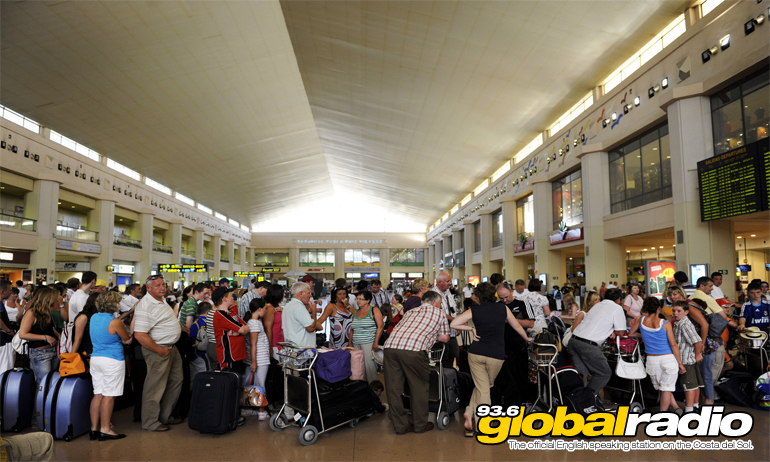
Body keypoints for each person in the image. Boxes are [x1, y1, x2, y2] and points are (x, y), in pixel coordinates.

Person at [451, 282, 530, 437]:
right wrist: (526, 338)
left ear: (478, 296)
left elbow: (454, 323)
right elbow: (517, 327)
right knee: (485, 387)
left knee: (482, 386)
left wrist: (471, 328)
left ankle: (469, 413)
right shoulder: (503, 308)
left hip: (476, 353)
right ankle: (482, 425)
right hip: (496, 355)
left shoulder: (474, 310)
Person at [383, 290, 450, 435]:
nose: (440, 306)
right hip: (414, 350)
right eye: (439, 303)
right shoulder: (439, 314)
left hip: (390, 348)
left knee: (393, 388)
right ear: (433, 302)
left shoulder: (410, 312)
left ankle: (400, 426)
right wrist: (431, 336)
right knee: (419, 387)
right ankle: (420, 424)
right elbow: (445, 338)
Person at [133, 274, 183, 432]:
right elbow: (140, 334)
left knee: (176, 381)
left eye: (163, 284)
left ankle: (164, 416)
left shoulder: (162, 301)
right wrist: (159, 350)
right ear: (148, 288)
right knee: (155, 387)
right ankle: (150, 422)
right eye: (158, 286)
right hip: (158, 350)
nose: (162, 288)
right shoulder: (146, 305)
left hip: (171, 348)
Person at [629, 297, 685, 413]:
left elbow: (631, 333)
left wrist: (645, 336)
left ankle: (675, 407)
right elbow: (673, 345)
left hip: (651, 360)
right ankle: (662, 415)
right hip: (667, 359)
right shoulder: (665, 323)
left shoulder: (641, 320)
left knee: (663, 387)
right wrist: (680, 363)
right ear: (658, 308)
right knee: (666, 388)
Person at [89, 291, 132, 441]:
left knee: (98, 394)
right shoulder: (115, 322)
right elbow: (127, 340)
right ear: (114, 304)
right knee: (109, 395)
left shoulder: (93, 317)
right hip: (112, 360)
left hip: (96, 359)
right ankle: (105, 429)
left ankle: (94, 429)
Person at [567, 288, 626, 393]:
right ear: (618, 299)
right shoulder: (617, 308)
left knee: (581, 374)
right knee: (604, 373)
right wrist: (612, 331)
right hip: (588, 345)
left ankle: (579, 401)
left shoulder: (597, 305)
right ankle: (587, 396)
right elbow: (621, 332)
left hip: (574, 341)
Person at [690, 276, 737, 403]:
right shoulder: (707, 299)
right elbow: (724, 317)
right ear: (702, 286)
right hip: (710, 341)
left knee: (700, 372)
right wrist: (738, 327)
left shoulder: (690, 300)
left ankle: (701, 398)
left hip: (696, 340)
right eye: (710, 286)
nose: (712, 288)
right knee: (708, 372)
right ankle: (709, 399)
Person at [18, 286, 61, 383]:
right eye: (55, 299)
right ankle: (40, 399)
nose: (57, 301)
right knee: (43, 383)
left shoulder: (47, 312)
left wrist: (58, 336)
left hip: (54, 351)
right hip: (40, 353)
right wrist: (46, 337)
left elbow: (49, 328)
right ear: (48, 299)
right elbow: (23, 334)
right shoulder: (32, 312)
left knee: (52, 382)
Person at [670, 300, 704, 413]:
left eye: (679, 311)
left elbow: (697, 341)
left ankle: (689, 410)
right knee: (695, 384)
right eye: (674, 310)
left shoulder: (684, 325)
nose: (675, 313)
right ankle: (695, 405)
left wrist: (697, 354)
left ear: (686, 312)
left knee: (689, 386)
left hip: (686, 359)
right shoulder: (678, 323)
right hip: (689, 358)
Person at [349, 290, 384, 383]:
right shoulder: (356, 312)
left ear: (368, 300)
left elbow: (380, 326)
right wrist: (350, 344)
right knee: (358, 369)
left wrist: (376, 342)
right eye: (357, 299)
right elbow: (352, 329)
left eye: (361, 299)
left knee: (370, 369)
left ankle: (374, 392)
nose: (358, 301)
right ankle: (362, 390)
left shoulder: (374, 310)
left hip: (368, 343)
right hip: (356, 344)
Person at [245, 297, 270, 420]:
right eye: (265, 308)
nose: (266, 311)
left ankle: (252, 407)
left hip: (257, 358)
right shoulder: (254, 323)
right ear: (259, 309)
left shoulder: (254, 321)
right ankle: (261, 411)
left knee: (255, 384)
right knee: (260, 385)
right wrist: (254, 362)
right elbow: (253, 344)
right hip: (259, 359)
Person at [212, 286, 249, 372]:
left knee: (239, 381)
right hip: (229, 356)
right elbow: (243, 329)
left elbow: (246, 326)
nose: (233, 298)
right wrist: (241, 331)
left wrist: (238, 332)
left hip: (238, 354)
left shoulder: (231, 312)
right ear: (224, 299)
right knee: (231, 381)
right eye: (231, 296)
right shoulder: (220, 315)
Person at [282, 282, 321, 347]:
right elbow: (311, 328)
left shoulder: (288, 305)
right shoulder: (299, 307)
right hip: (302, 350)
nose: (311, 295)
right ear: (301, 293)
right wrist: (314, 311)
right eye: (309, 293)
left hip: (292, 348)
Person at [433, 272, 458, 368]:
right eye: (448, 281)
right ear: (440, 282)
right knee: (442, 359)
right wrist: (456, 321)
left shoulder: (448, 292)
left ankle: (450, 378)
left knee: (452, 357)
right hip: (441, 333)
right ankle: (440, 380)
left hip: (452, 332)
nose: (450, 283)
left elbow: (452, 310)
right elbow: (439, 312)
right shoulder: (433, 295)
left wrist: (457, 325)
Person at [188, 302, 212, 379]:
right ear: (208, 311)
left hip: (192, 353)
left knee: (194, 376)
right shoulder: (208, 323)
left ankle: (193, 390)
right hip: (201, 354)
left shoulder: (195, 322)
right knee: (206, 375)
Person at [0, 280, 17, 376]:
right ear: (2, 291)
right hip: (4, 340)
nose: (11, 292)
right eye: (10, 290)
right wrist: (9, 331)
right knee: (5, 369)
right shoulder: (0, 304)